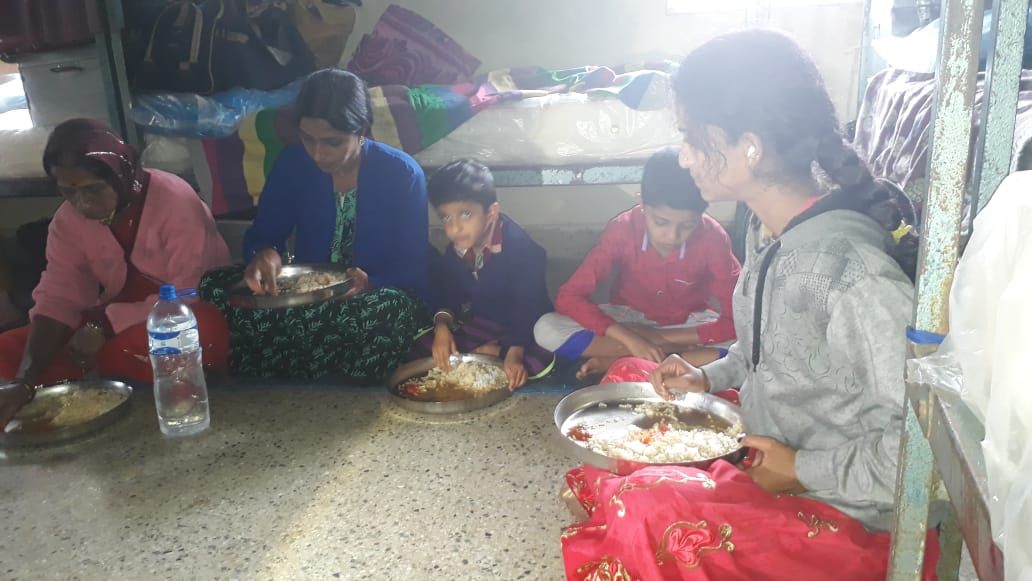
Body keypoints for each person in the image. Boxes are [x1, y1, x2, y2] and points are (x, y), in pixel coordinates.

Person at [559, 30, 938, 580]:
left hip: (840, 508)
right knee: (631, 376)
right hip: (774, 443)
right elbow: (766, 347)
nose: (684, 156)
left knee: (643, 506)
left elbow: (923, 453)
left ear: (749, 147)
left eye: (691, 137)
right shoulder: (773, 230)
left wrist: (801, 469)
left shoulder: (853, 276)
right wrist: (708, 377)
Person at [0, 119, 231, 429]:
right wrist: (25, 380)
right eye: (68, 192)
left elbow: (190, 292)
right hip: (108, 321)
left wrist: (105, 326)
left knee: (151, 346)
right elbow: (59, 296)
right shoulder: (67, 222)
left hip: (184, 315)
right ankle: (79, 383)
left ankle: (98, 382)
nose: (82, 203)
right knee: (8, 349)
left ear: (121, 175)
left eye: (93, 189)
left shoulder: (175, 201)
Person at [199, 69, 429, 381]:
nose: (318, 154)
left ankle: (295, 365)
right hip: (308, 293)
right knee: (214, 286)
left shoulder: (402, 174)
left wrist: (371, 282)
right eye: (308, 139)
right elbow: (264, 236)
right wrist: (265, 254)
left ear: (361, 130)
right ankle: (308, 364)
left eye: (333, 142)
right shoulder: (293, 164)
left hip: (373, 296)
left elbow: (413, 266)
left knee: (385, 310)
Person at [534, 146, 741, 380]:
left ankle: (625, 359)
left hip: (685, 325)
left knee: (747, 342)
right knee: (546, 329)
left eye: (687, 225)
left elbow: (740, 316)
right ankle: (673, 358)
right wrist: (628, 336)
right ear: (642, 203)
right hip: (627, 319)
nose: (672, 237)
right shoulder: (622, 229)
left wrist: (660, 338)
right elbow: (569, 297)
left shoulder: (713, 238)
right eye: (661, 222)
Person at [411, 159, 554, 390]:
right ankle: (487, 353)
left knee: (537, 360)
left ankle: (494, 352)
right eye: (446, 217)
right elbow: (448, 294)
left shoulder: (522, 249)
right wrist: (442, 327)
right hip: (485, 324)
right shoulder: (457, 250)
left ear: (491, 212)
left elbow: (527, 306)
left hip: (527, 325)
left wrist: (515, 352)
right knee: (421, 348)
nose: (455, 228)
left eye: (465, 214)